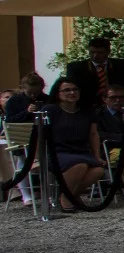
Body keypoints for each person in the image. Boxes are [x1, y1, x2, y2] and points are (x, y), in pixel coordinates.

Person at [43, 79, 105, 212]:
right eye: (66, 90)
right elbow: (38, 135)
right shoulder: (50, 110)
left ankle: (72, 194)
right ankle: (66, 198)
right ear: (57, 93)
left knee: (98, 171)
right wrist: (37, 157)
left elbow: (93, 134)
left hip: (81, 151)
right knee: (80, 165)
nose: (72, 92)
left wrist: (97, 156)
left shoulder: (87, 111)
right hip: (57, 152)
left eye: (75, 89)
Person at [64, 37, 117, 104]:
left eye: (100, 53)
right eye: (92, 52)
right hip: (87, 105)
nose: (95, 56)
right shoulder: (76, 68)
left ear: (108, 51)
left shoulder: (120, 65)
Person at [96, 82, 124, 184]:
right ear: (104, 99)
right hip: (109, 150)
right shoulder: (98, 115)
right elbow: (99, 135)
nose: (118, 100)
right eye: (113, 97)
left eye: (121, 97)